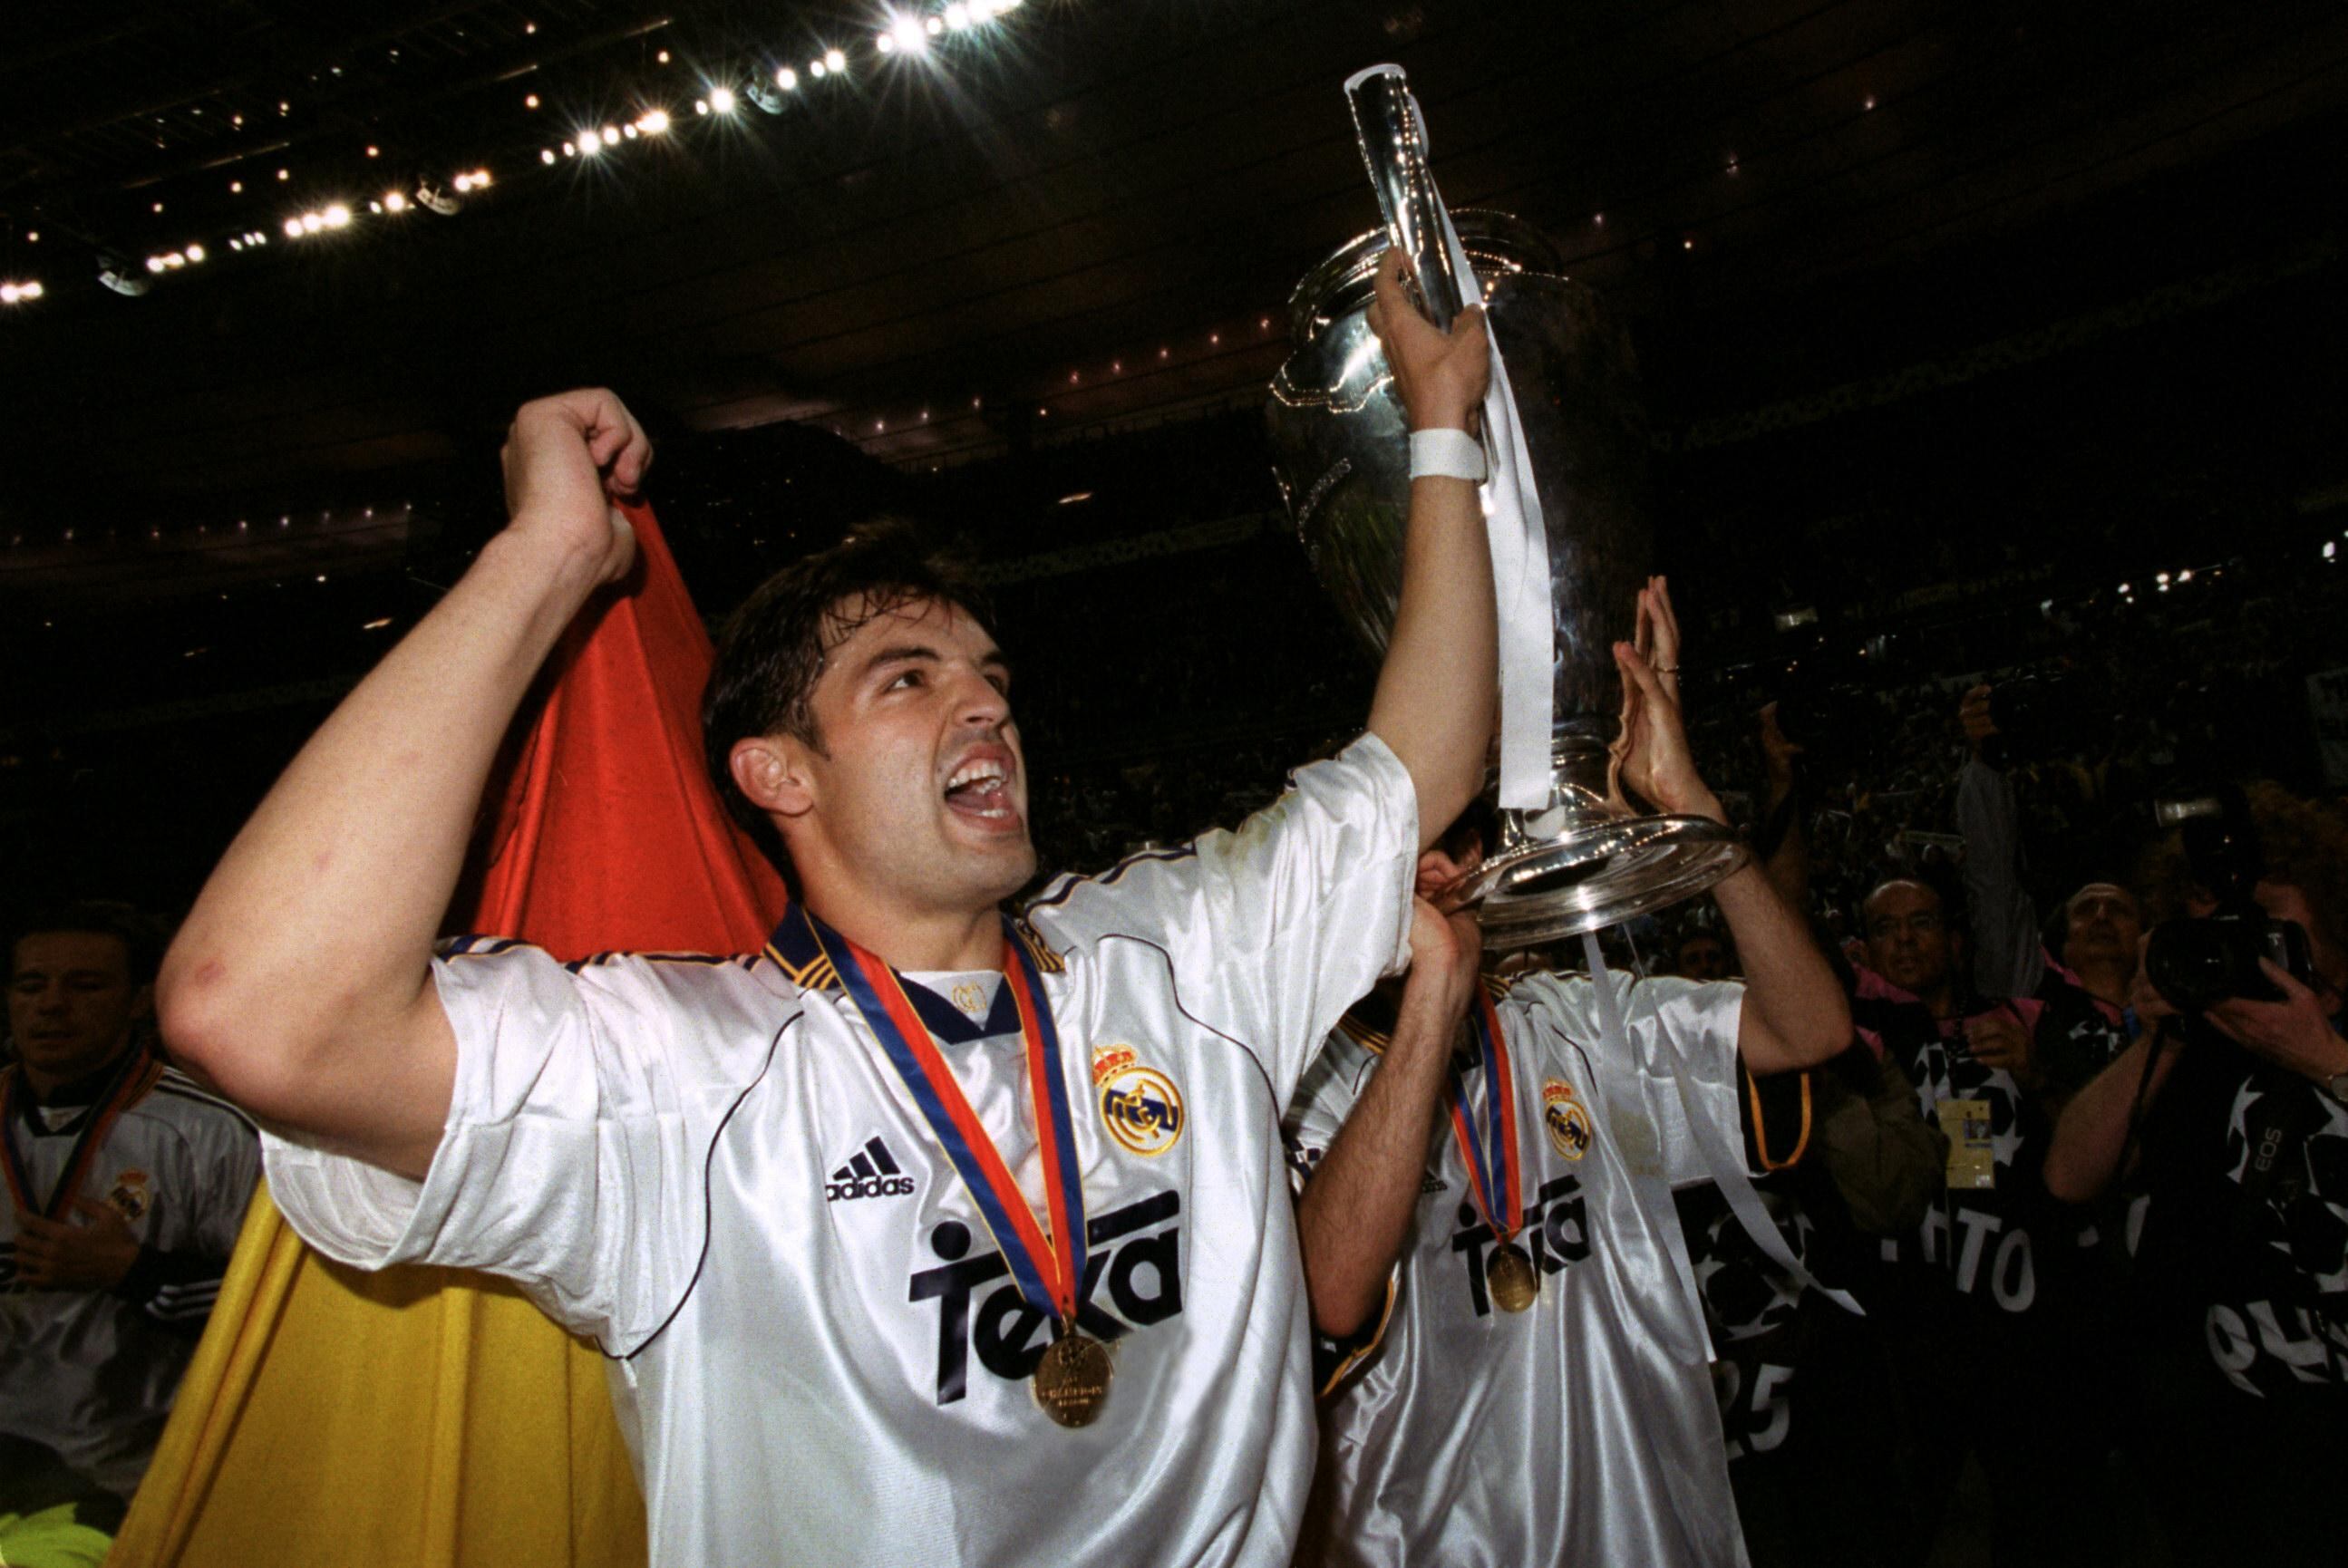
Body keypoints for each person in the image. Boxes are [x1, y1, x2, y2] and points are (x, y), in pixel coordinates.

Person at [154, 249, 1499, 1568]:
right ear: (776, 773)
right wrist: (547, 555)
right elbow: (257, 1011)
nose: (985, 702)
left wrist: (1440, 422)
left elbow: (1424, 758)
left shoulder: (1176, 955)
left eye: (988, 673)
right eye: (906, 678)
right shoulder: (681, 1077)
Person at [1283, 578, 1854, 1566]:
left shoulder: (1573, 1024)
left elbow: (1807, 1030)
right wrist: (1435, 993)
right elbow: (1329, 1292)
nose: (1427, 866)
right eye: (1389, 842)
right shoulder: (1299, 1086)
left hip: (1640, 1526)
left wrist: (1697, 818)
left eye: (1449, 835)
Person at [2044, 783, 2348, 1566]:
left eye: (2268, 932)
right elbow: (2069, 1177)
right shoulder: (2195, 1046)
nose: (2243, 953)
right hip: (2237, 1439)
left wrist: (2328, 1059)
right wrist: (2166, 1036)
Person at [2, 902, 260, 1505]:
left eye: (86, 985)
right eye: (31, 984)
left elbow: (277, 1308)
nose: (52, 1004)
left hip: (137, 1479)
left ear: (140, 999)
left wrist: (134, 1272)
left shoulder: (210, 1131)